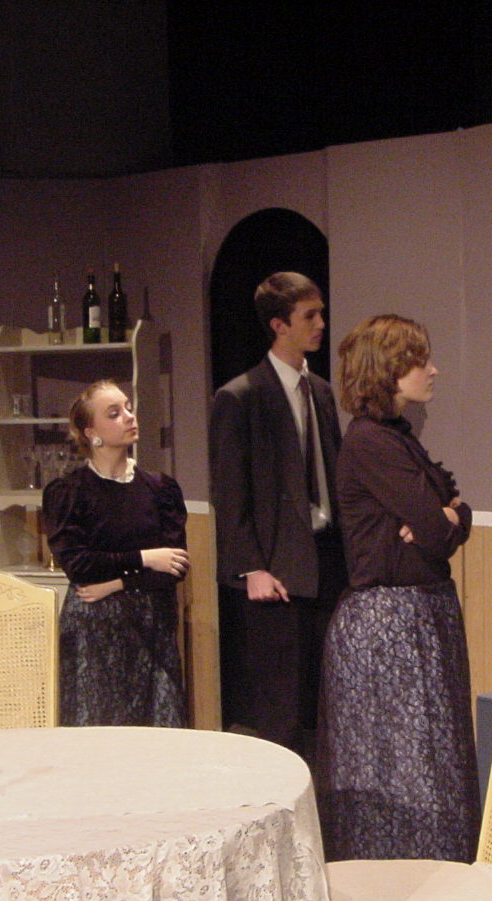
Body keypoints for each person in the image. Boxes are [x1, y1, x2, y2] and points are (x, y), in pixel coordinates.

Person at [317, 314, 480, 862]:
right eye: (418, 360)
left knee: (432, 760)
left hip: (421, 616)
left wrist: (451, 516)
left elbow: (453, 511)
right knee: (404, 767)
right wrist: (443, 519)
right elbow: (436, 528)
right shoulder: (370, 443)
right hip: (389, 626)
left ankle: (443, 881)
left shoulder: (398, 437)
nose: (432, 370)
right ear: (387, 370)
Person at [209, 271, 346, 755]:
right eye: (310, 316)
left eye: (321, 313)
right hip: (277, 570)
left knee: (326, 698)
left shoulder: (321, 392)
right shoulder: (241, 396)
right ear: (278, 325)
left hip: (328, 559)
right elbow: (230, 493)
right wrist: (252, 567)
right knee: (280, 702)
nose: (321, 324)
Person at [42, 380, 191, 726]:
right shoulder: (69, 492)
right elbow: (79, 566)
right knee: (98, 728)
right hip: (94, 629)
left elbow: (175, 566)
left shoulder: (160, 488)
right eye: (114, 413)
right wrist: (146, 558)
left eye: (128, 408)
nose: (128, 416)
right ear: (91, 431)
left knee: (158, 728)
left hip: (152, 626)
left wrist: (117, 584)